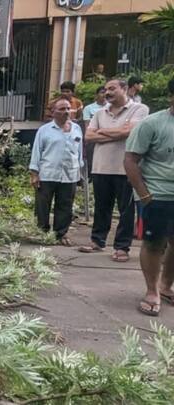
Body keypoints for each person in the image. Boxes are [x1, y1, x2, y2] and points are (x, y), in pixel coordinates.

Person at [78, 79, 150, 262]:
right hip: (101, 167)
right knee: (102, 207)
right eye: (106, 90)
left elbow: (130, 132)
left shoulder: (139, 109)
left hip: (126, 168)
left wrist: (102, 132)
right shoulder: (100, 112)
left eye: (112, 89)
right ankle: (97, 240)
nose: (107, 93)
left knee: (126, 210)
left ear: (124, 89)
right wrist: (117, 131)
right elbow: (89, 136)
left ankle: (121, 247)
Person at [124, 78, 174, 317]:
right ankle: (152, 291)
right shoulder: (151, 124)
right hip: (158, 195)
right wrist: (144, 195)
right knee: (154, 243)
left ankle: (166, 285)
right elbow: (130, 160)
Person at [29, 99, 84, 246]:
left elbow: (79, 152)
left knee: (65, 205)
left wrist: (79, 171)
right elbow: (36, 152)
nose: (66, 111)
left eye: (68, 108)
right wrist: (34, 173)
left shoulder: (76, 129)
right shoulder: (44, 130)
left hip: (69, 174)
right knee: (42, 205)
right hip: (48, 173)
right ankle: (42, 232)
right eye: (61, 109)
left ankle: (61, 233)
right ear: (53, 112)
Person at [82, 86, 107, 175]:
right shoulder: (89, 108)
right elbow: (87, 125)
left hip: (108, 138)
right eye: (102, 92)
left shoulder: (111, 107)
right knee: (91, 161)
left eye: (106, 92)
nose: (104, 94)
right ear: (96, 95)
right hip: (93, 138)